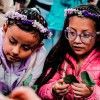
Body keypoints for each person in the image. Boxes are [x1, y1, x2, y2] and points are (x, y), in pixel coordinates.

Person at [35, 4, 100, 100]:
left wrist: (92, 93)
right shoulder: (60, 57)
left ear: (98, 37)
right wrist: (53, 90)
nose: (77, 41)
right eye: (72, 33)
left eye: (85, 35)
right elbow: (41, 90)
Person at [0, 7, 52, 96]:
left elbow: (29, 87)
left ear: (37, 47)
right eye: (12, 42)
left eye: (26, 48)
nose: (15, 51)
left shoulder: (39, 55)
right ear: (4, 30)